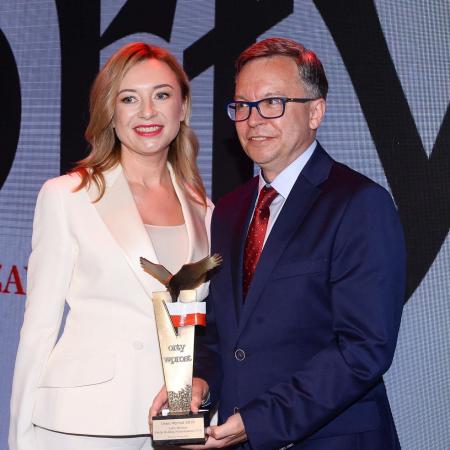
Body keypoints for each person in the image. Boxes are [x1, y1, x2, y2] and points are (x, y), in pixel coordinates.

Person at [150, 37, 406, 449]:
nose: (254, 120)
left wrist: (260, 421)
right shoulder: (229, 211)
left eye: (272, 102)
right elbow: (223, 334)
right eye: (243, 105)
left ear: (315, 112)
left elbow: (363, 350)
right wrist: (199, 382)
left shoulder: (360, 204)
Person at [9, 42, 213, 450]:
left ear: (183, 108)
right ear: (111, 113)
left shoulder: (204, 209)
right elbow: (39, 328)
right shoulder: (68, 196)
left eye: (161, 95)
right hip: (82, 423)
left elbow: (198, 329)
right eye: (129, 99)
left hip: (172, 425)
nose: (147, 112)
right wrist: (20, 437)